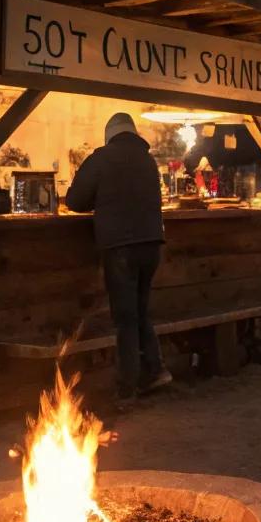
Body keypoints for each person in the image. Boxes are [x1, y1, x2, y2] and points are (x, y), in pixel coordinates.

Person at [65, 112, 171, 406]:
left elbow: (75, 201)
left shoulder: (101, 158)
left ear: (109, 135)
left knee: (124, 317)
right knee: (139, 310)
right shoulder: (148, 160)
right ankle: (155, 369)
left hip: (121, 246)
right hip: (152, 244)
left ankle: (127, 388)